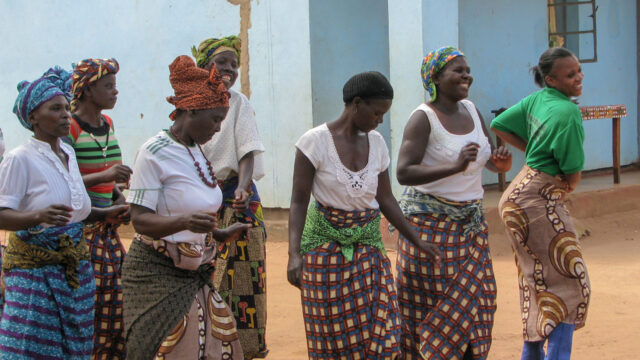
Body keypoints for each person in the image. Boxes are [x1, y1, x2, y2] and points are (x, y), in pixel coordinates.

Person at [287, 71, 441, 359]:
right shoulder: (314, 142)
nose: (380, 120)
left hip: (369, 251)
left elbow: (385, 199)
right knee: (331, 336)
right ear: (356, 103)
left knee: (385, 328)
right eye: (377, 112)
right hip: (324, 253)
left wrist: (416, 239)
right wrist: (294, 255)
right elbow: (298, 202)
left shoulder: (378, 144)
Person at [122, 55, 249, 359]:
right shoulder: (154, 152)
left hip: (195, 273)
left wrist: (217, 234)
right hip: (156, 275)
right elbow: (139, 220)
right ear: (191, 109)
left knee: (213, 347)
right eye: (215, 119)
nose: (218, 129)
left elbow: (191, 212)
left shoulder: (196, 151)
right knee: (162, 348)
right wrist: (185, 223)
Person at [0, 67, 128, 359]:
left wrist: (105, 214)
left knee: (76, 344)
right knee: (31, 345)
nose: (65, 115)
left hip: (74, 273)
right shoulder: (19, 159)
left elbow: (74, 210)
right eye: (55, 109)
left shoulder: (68, 154)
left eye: (66, 108)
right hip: (35, 274)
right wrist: (37, 217)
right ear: (33, 117)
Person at [394, 46, 512, 360]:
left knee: (480, 303)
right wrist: (454, 166)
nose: (466, 76)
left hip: (472, 230)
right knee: (433, 311)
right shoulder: (423, 118)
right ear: (435, 77)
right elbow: (404, 172)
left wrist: (497, 165)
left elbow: (483, 161)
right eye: (457, 70)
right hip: (431, 231)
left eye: (467, 70)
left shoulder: (472, 110)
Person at [490, 47, 590, 360]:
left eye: (578, 71)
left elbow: (500, 125)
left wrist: (530, 148)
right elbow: (572, 173)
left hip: (516, 197)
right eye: (570, 74)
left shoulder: (539, 98)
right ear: (551, 79)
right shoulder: (569, 112)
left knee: (537, 282)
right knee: (572, 283)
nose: (578, 78)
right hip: (538, 199)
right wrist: (567, 186)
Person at [192, 35, 268, 359]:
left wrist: (242, 187)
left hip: (236, 197)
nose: (229, 70)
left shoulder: (239, 103)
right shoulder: (191, 105)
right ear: (204, 65)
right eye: (221, 62)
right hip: (199, 201)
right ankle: (205, 347)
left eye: (234, 65)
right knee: (202, 277)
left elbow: (248, 151)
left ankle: (246, 350)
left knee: (247, 284)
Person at [65, 57, 131, 359]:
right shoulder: (71, 128)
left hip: (107, 226)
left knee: (119, 297)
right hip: (83, 228)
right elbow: (64, 180)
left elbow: (107, 175)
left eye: (115, 86)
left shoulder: (108, 124)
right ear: (88, 91)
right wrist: (106, 177)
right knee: (98, 299)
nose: (115, 92)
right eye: (108, 86)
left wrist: (117, 195)